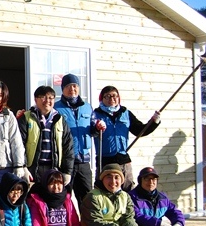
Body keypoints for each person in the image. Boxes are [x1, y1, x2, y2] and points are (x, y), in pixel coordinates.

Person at [92, 86, 161, 191]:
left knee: (128, 190)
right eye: (108, 96)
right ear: (102, 99)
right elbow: (91, 131)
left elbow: (139, 130)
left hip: (123, 160)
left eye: (114, 96)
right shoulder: (96, 114)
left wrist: (154, 121)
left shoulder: (125, 113)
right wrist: (97, 127)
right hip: (105, 160)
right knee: (104, 191)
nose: (112, 99)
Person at [54, 74, 99, 205]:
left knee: (87, 199)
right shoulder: (56, 108)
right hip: (65, 161)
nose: (72, 89)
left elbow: (93, 130)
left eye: (75, 86)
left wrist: (97, 128)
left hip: (83, 160)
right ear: (62, 89)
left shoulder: (87, 107)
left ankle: (87, 219)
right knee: (64, 198)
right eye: (68, 86)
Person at [18, 85, 74, 186]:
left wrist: (67, 171)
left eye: (51, 98)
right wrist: (23, 167)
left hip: (53, 169)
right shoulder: (26, 118)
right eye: (43, 97)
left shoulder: (60, 119)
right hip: (32, 169)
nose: (47, 101)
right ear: (36, 99)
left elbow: (68, 147)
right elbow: (19, 144)